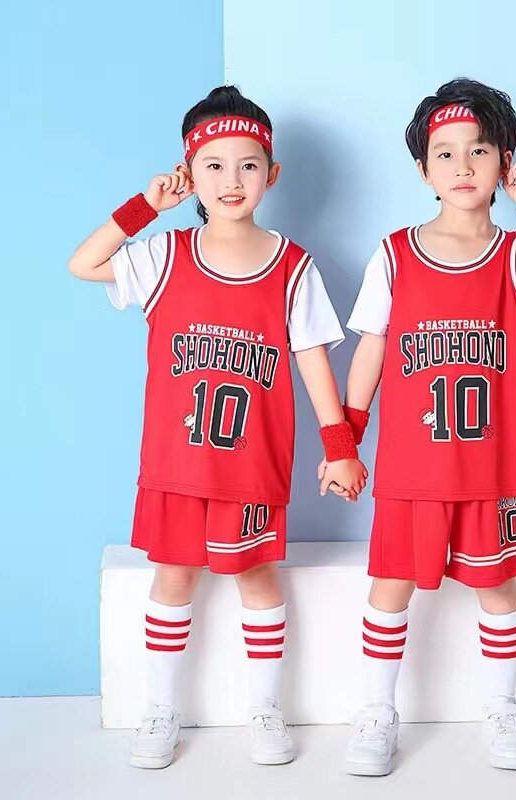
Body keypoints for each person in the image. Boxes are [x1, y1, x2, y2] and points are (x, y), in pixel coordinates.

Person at [68, 85, 367, 769]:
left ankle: (265, 706)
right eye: (214, 165)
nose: (232, 179)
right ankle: (160, 710)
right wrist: (146, 207)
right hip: (177, 465)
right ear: (189, 173)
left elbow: (313, 360)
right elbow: (83, 263)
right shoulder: (166, 254)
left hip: (251, 465)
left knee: (257, 579)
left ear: (272, 173)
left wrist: (340, 447)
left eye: (248, 165)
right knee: (172, 579)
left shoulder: (292, 267)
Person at [340, 78, 516, 775]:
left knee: (498, 589)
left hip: (492, 467)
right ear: (423, 170)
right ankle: (377, 710)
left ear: (505, 160)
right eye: (444, 153)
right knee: (389, 588)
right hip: (412, 467)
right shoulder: (395, 253)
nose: (462, 166)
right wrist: (344, 442)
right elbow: (372, 349)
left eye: (479, 150)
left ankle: (503, 705)